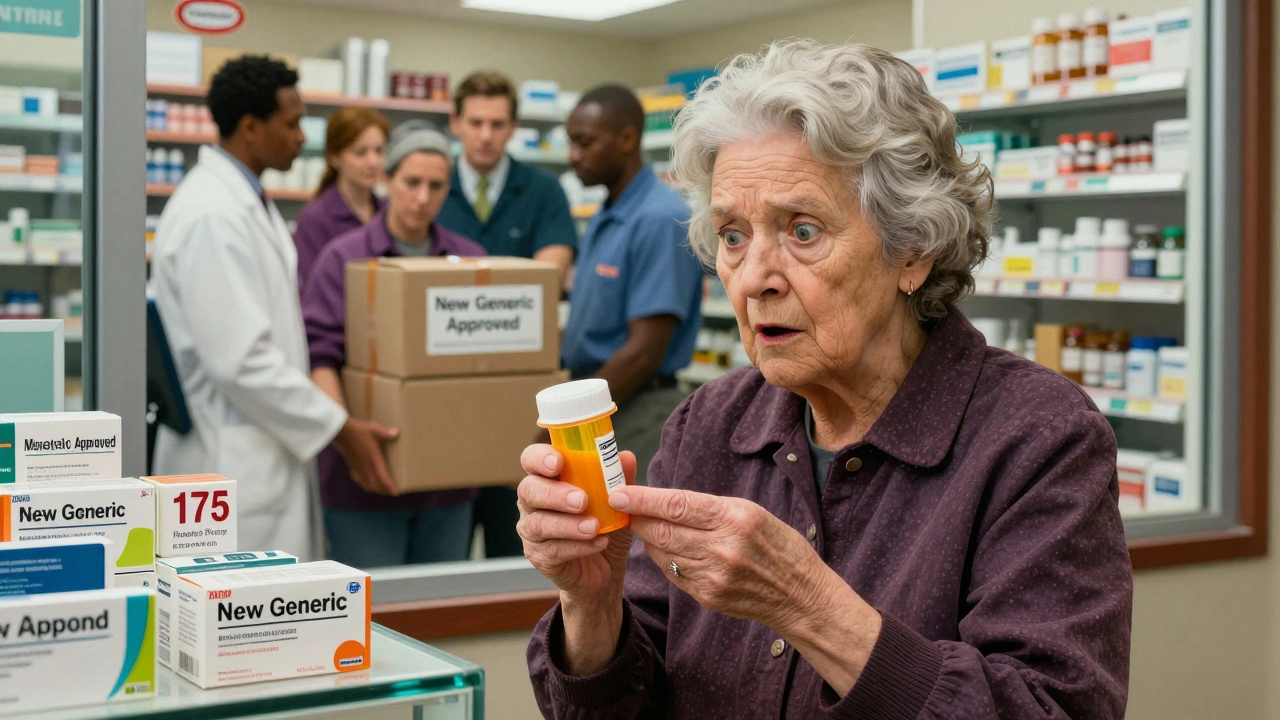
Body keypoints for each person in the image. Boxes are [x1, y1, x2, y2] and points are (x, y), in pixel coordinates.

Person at [520, 41, 1132, 718]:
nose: (754, 278)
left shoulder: (1038, 438)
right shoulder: (708, 427)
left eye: (803, 230)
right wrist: (592, 606)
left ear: (913, 250)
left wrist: (808, 606)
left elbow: (1051, 708)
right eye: (731, 236)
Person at [150, 56, 395, 561]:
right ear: (250, 127)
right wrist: (339, 429)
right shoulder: (212, 215)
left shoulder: (242, 200)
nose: (302, 137)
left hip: (260, 448)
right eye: (292, 123)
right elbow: (240, 361)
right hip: (228, 459)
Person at [303, 127, 487, 567]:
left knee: (439, 611)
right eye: (411, 182)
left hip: (449, 479)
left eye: (436, 186)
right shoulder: (344, 259)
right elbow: (319, 355)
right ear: (386, 179)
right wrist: (349, 433)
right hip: (363, 478)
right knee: (373, 615)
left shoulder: (471, 260)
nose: (422, 198)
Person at [437, 70, 579, 558]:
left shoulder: (543, 191)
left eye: (497, 123)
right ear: (455, 122)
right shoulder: (431, 187)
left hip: (517, 395)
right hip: (443, 389)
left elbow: (550, 276)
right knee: (442, 545)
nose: (485, 135)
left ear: (514, 126)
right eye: (475, 121)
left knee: (514, 540)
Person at [557, 84, 704, 485]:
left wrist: (572, 419)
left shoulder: (658, 217)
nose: (574, 156)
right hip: (603, 402)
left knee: (629, 539)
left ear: (626, 139)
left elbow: (644, 351)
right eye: (571, 142)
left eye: (585, 142)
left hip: (635, 405)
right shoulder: (609, 213)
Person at [293, 107, 389, 297]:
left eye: (379, 151)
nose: (373, 162)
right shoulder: (314, 219)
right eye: (360, 152)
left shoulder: (389, 213)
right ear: (334, 158)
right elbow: (312, 294)